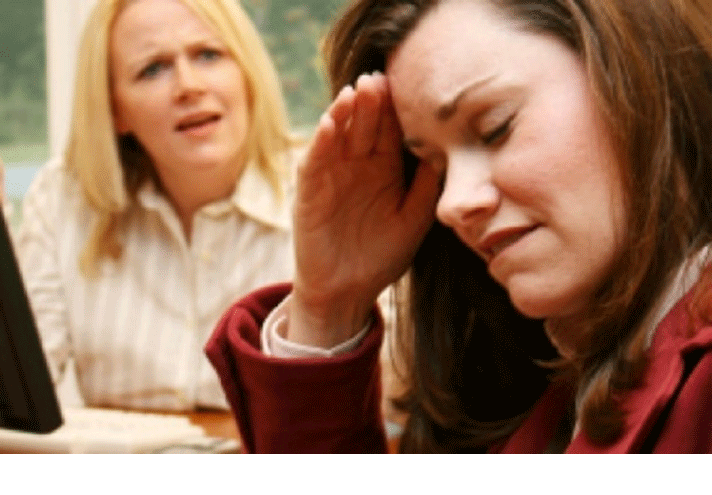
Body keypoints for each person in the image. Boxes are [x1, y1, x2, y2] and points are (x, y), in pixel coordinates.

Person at [206, 0, 712, 453]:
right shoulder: (551, 367)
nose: (450, 204)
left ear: (639, 75)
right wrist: (329, 305)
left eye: (496, 128)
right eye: (435, 167)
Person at [15, 0, 297, 411]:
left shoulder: (325, 191)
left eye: (208, 54)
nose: (189, 85)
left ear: (247, 73)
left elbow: (390, 399)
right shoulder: (63, 200)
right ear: (115, 111)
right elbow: (18, 387)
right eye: (153, 69)